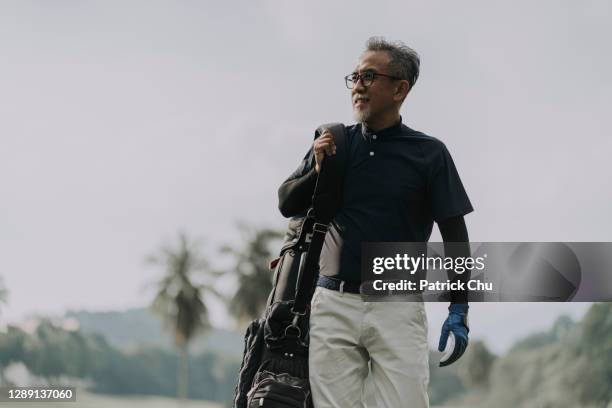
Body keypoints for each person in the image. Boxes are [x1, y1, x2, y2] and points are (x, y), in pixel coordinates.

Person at [277, 37, 473, 408]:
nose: (359, 85)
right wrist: (316, 171)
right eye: (354, 77)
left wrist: (458, 307)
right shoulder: (332, 141)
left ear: (401, 88)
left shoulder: (429, 154)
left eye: (369, 75)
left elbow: (455, 237)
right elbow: (287, 203)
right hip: (333, 302)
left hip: (398, 306)